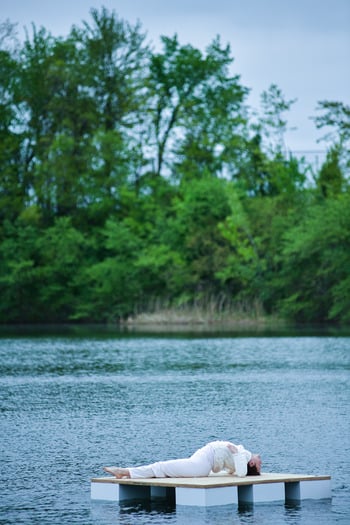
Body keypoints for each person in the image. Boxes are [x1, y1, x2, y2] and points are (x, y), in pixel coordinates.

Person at [103, 440, 262, 479]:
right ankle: (127, 472)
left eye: (260, 464)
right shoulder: (243, 457)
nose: (260, 458)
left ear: (252, 464)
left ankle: (124, 471)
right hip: (204, 458)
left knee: (165, 467)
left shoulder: (243, 455)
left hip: (203, 463)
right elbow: (234, 470)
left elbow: (241, 473)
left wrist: (235, 453)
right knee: (166, 468)